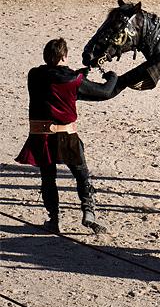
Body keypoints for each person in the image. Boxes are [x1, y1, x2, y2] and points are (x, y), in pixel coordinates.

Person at [15, 38, 125, 234]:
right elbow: (104, 92)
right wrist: (113, 77)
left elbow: (53, 78)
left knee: (48, 179)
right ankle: (88, 213)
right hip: (67, 136)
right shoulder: (75, 80)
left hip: (41, 136)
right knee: (82, 175)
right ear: (65, 56)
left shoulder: (34, 75)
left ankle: (54, 219)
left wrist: (79, 75)